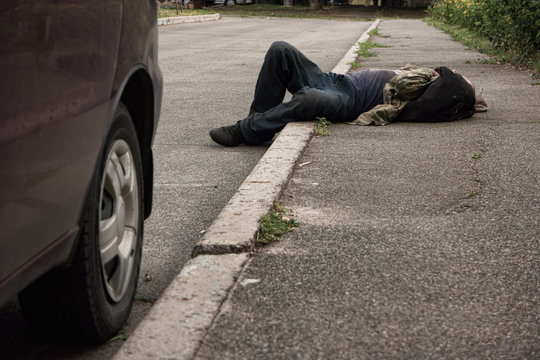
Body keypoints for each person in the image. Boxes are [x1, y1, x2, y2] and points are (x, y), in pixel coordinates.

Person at [209, 41, 485, 147]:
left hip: (348, 101)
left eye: (463, 79)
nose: (459, 74)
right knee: (280, 50)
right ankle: (258, 123)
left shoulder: (437, 94)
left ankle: (245, 130)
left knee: (308, 99)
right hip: (334, 80)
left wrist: (463, 86)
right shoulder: (426, 75)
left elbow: (458, 85)